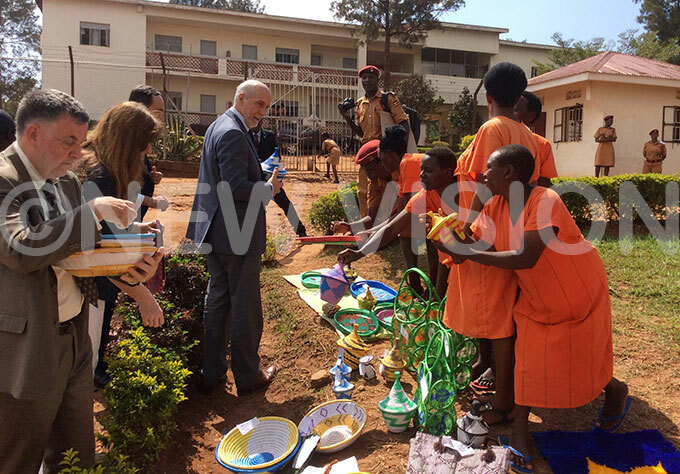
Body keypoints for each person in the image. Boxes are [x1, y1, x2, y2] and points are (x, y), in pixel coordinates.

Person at [433, 144, 630, 473]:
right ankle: (520, 434)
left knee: (583, 353)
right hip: (535, 293)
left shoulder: (545, 201)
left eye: (490, 168)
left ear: (508, 173)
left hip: (576, 286)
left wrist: (467, 252)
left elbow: (525, 256)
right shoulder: (496, 206)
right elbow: (479, 245)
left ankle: (614, 389)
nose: (483, 175)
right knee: (528, 359)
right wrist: (451, 241)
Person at [0, 89, 162, 473]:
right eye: (68, 141)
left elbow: (82, 250)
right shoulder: (5, 181)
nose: (78, 152)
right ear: (33, 134)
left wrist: (134, 258)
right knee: (19, 458)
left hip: (74, 337)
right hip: (27, 347)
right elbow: (21, 248)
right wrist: (91, 212)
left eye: (80, 140)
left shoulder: (67, 182)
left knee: (75, 453)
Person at [448, 62, 538, 410]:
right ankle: (495, 372)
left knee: (492, 308)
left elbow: (483, 186)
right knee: (503, 306)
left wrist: (465, 232)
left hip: (487, 227)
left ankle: (502, 388)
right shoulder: (527, 133)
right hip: (513, 225)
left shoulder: (491, 129)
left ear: (487, 96)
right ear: (518, 99)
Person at [186, 80, 282, 396]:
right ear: (240, 98)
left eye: (266, 107)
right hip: (235, 235)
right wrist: (269, 188)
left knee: (218, 300)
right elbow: (236, 188)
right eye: (258, 105)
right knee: (244, 306)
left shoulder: (220, 126)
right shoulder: (232, 133)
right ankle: (248, 374)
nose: (262, 113)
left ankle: (213, 373)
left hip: (218, 231)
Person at [79, 101, 166, 389]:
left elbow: (107, 230)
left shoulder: (103, 168)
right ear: (128, 141)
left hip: (93, 286)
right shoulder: (99, 177)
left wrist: (139, 229)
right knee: (82, 365)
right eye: (144, 145)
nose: (147, 153)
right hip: (84, 290)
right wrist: (144, 298)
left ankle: (96, 369)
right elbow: (100, 251)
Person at [337, 146, 457, 299]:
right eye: (421, 170)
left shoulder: (465, 196)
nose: (421, 176)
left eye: (428, 171)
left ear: (446, 172)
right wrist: (359, 253)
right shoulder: (426, 194)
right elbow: (392, 228)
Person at [338, 65, 409, 217]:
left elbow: (403, 122)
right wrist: (346, 117)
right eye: (364, 78)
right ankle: (367, 225)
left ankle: (393, 223)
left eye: (371, 77)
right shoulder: (359, 104)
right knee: (364, 191)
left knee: (393, 189)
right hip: (367, 154)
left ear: (378, 79)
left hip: (384, 154)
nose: (367, 80)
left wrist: (400, 150)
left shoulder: (387, 99)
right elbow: (359, 132)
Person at [252, 120, 307, 237]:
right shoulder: (243, 136)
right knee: (255, 210)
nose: (256, 122)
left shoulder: (269, 136)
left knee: (286, 204)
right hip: (253, 181)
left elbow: (277, 156)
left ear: (262, 121)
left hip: (271, 178)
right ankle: (257, 238)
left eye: (259, 120)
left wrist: (273, 169)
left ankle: (301, 230)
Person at [128, 85, 168, 218]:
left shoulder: (139, 136)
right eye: (158, 112)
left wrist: (149, 176)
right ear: (141, 110)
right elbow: (117, 191)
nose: (162, 117)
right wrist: (151, 201)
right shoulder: (124, 142)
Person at [513, 91, 558, 187]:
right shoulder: (496, 134)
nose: (509, 114)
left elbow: (544, 182)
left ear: (531, 116)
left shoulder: (542, 144)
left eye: (515, 110)